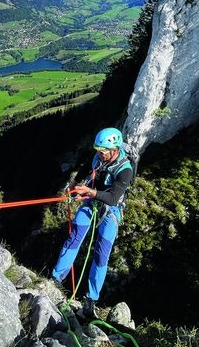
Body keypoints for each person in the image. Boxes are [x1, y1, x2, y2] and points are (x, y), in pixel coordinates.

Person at [52, 127, 133, 319]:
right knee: (74, 238)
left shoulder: (125, 170)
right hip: (92, 199)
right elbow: (85, 168)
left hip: (112, 208)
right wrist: (73, 187)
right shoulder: (98, 157)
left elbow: (113, 198)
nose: (99, 153)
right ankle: (55, 278)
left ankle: (90, 300)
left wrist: (89, 192)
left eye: (103, 151)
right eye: (98, 149)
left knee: (101, 253)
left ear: (114, 150)